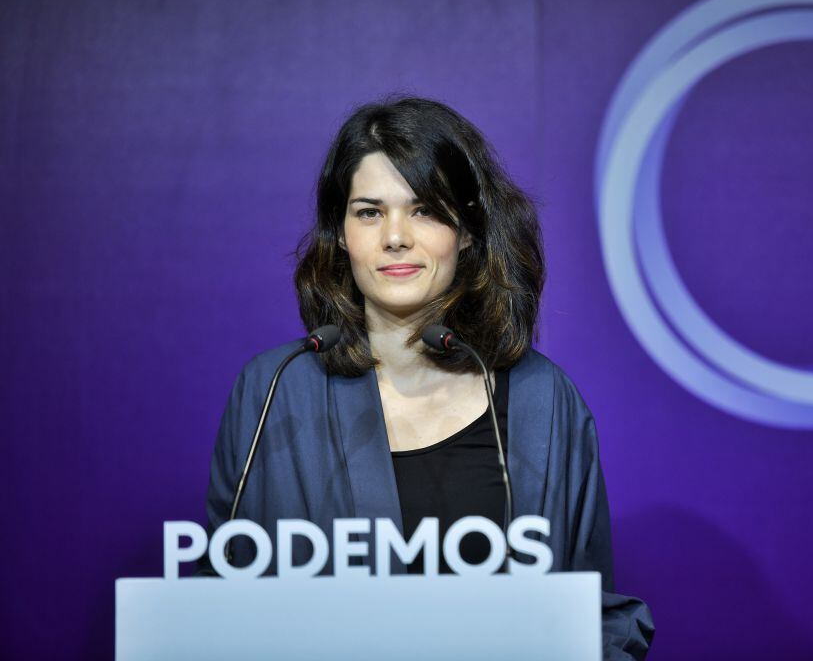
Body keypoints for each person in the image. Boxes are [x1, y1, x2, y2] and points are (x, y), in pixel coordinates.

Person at [201, 97, 654, 659]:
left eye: (424, 211)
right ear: (341, 234)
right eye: (369, 212)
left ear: (467, 232)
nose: (395, 237)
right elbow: (217, 601)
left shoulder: (543, 401)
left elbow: (594, 617)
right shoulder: (274, 391)